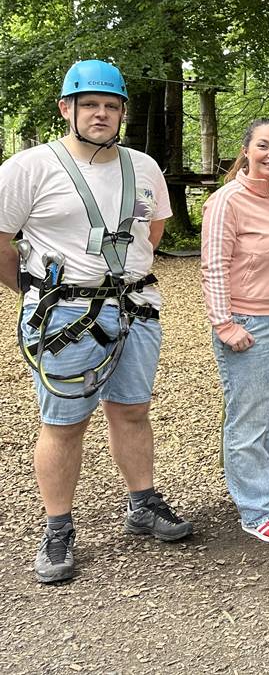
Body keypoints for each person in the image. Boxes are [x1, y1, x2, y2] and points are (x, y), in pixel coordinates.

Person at [0, 60, 192, 584]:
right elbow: (1, 242)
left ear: (123, 113)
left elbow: (151, 233)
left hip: (135, 306)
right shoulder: (29, 168)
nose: (101, 114)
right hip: (66, 311)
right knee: (63, 422)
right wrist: (35, 293)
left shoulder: (144, 167)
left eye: (111, 106)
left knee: (132, 410)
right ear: (67, 109)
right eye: (90, 105)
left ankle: (142, 503)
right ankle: (57, 527)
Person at [201, 118, 269, 544]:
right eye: (264, 146)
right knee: (248, 418)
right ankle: (254, 508)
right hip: (248, 323)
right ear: (246, 150)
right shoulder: (226, 201)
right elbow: (213, 266)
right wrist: (224, 324)